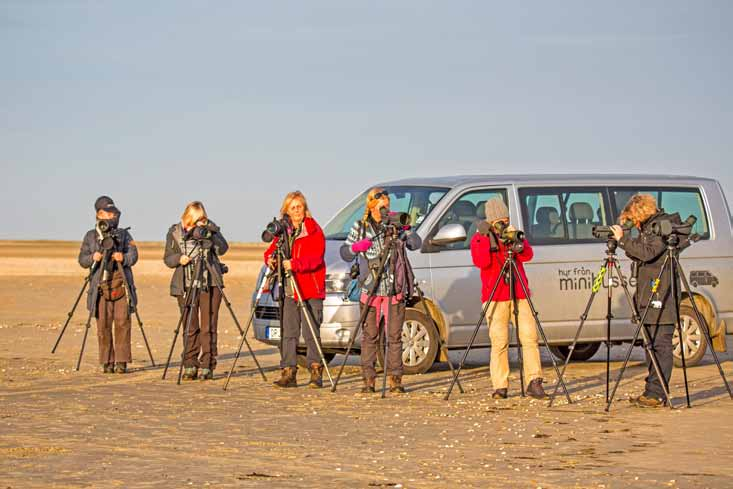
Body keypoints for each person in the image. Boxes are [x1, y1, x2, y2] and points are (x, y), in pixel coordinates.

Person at [341, 188, 422, 394]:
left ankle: (396, 379)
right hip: (370, 288)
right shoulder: (360, 227)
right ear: (371, 206)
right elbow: (345, 253)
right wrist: (356, 248)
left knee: (394, 336)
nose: (385, 209)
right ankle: (369, 380)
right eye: (381, 206)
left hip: (394, 288)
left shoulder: (394, 227)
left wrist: (406, 229)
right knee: (370, 336)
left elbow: (415, 244)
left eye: (387, 206)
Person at [470, 198, 546, 399]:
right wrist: (484, 236)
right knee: (499, 341)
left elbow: (527, 255)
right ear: (491, 221)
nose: (503, 223)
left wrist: (515, 239)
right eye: (499, 221)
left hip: (519, 293)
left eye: (506, 219)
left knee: (530, 337)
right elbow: (482, 261)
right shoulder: (481, 238)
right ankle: (500, 385)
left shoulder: (512, 234)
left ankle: (534, 381)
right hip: (495, 296)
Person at [612, 194, 681, 408]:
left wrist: (623, 240)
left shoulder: (662, 226)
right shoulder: (649, 228)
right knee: (650, 343)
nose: (634, 222)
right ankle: (651, 390)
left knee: (660, 344)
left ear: (640, 212)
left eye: (633, 217)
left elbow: (649, 253)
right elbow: (643, 255)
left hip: (662, 293)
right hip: (649, 292)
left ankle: (658, 393)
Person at [264, 191, 327, 389]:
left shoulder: (313, 230)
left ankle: (316, 372)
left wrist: (295, 264)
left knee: (311, 333)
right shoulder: (284, 232)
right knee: (289, 332)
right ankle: (288, 372)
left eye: (299, 206)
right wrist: (271, 260)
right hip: (290, 290)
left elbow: (316, 258)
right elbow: (270, 251)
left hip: (310, 288)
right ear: (286, 211)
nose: (297, 210)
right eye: (293, 207)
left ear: (305, 208)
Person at [164, 201, 228, 381]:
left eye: (201, 218)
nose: (197, 223)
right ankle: (190, 364)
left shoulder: (209, 230)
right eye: (194, 219)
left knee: (209, 326)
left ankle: (207, 364)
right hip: (185, 283)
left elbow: (222, 249)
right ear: (187, 217)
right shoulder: (174, 232)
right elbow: (167, 259)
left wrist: (211, 230)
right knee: (190, 327)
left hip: (210, 283)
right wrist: (179, 259)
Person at [78, 196, 138, 374]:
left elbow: (134, 255)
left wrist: (123, 258)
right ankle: (107, 361)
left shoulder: (124, 235)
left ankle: (121, 361)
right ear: (99, 214)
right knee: (103, 324)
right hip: (100, 286)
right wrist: (93, 257)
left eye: (114, 213)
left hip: (121, 283)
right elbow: (82, 260)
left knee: (123, 322)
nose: (113, 217)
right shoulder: (91, 236)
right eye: (109, 213)